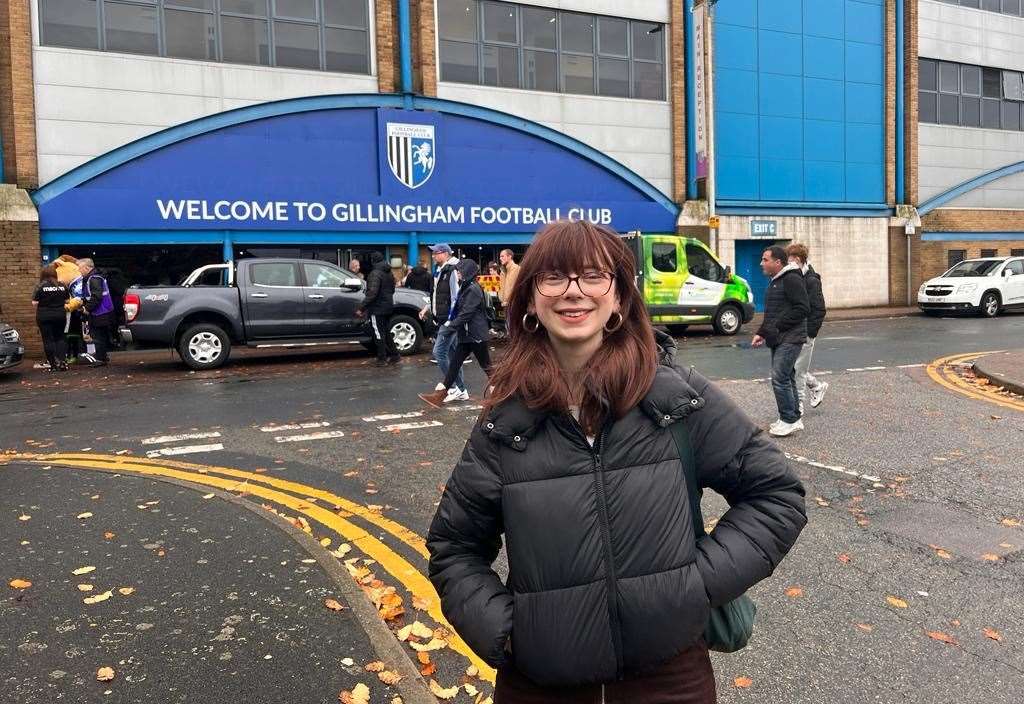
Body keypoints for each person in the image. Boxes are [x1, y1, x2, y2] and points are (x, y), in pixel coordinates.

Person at [426, 221, 806, 702]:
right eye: (553, 277)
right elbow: (454, 547)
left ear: (620, 299)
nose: (573, 292)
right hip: (540, 686)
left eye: (592, 276)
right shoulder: (507, 420)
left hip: (670, 680)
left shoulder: (676, 398)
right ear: (530, 301)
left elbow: (776, 494)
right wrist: (506, 633)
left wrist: (694, 589)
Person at [751, 246, 809, 437]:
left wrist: (778, 326)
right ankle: (794, 417)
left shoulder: (791, 279)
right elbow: (772, 313)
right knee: (787, 376)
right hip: (780, 337)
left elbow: (802, 308)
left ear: (778, 262)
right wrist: (762, 332)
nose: (761, 263)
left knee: (779, 377)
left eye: (765, 259)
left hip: (791, 337)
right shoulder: (776, 281)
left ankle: (788, 420)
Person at [418, 259, 491, 407]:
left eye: (460, 271)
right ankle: (440, 395)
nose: (457, 273)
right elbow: (458, 310)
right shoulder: (465, 286)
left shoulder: (473, 289)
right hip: (466, 335)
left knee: (487, 367)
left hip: (476, 334)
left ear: (468, 272)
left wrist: (450, 326)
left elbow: (467, 313)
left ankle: (504, 392)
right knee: (454, 365)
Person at [786, 243, 829, 410]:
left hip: (805, 333)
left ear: (797, 259)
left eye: (789, 260)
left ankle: (798, 407)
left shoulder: (811, 280)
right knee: (792, 367)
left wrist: (809, 334)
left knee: (797, 370)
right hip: (795, 331)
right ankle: (817, 386)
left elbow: (819, 310)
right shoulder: (798, 277)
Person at [419, 244, 465, 394]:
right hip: (442, 319)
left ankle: (453, 386)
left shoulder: (452, 270)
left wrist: (450, 319)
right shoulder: (440, 271)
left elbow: (455, 297)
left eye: (436, 253)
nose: (433, 256)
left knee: (438, 352)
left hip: (448, 320)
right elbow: (435, 294)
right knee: (453, 355)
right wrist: (428, 308)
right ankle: (461, 389)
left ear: (445, 254)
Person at [356, 252, 400, 367]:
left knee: (378, 333)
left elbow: (372, 293)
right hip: (388, 306)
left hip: (377, 308)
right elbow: (392, 290)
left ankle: (382, 358)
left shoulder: (374, 273)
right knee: (386, 331)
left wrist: (361, 307)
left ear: (373, 261)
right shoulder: (389, 273)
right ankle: (395, 355)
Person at [77, 258, 116, 367]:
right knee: (101, 335)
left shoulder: (93, 279)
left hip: (100, 312)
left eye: (80, 268)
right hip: (104, 311)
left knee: (98, 335)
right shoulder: (95, 277)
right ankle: (102, 357)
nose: (79, 271)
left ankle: (100, 359)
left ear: (86, 267)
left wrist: (86, 308)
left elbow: (96, 296)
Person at [32, 264, 70, 372]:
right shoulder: (62, 285)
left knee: (48, 339)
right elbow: (67, 301)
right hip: (60, 315)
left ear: (43, 274)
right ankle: (62, 362)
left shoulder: (40, 286)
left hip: (44, 315)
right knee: (60, 338)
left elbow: (34, 303)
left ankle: (53, 364)